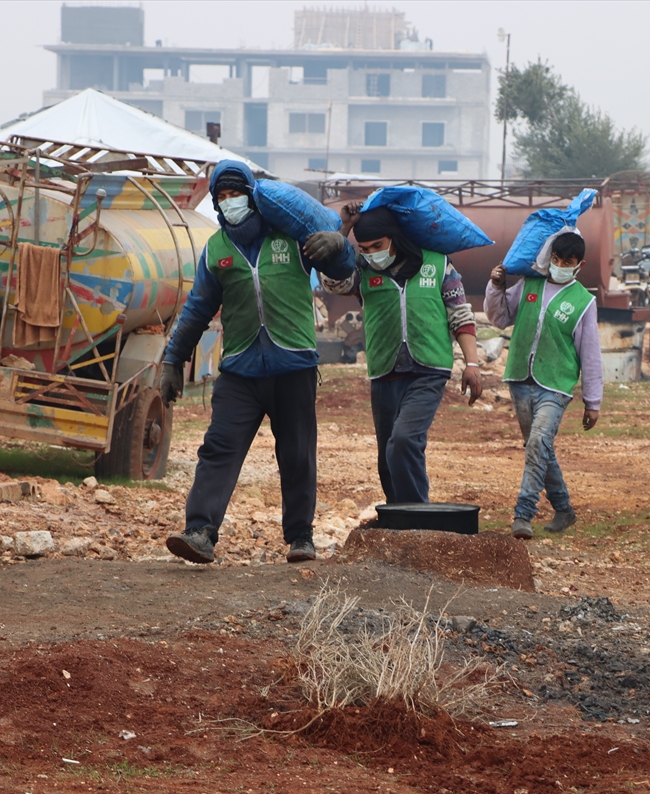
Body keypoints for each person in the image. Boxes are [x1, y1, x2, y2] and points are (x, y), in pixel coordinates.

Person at [159, 161, 355, 564]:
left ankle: (300, 537)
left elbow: (342, 269)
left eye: (236, 194)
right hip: (241, 370)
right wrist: (173, 359)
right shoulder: (216, 248)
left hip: (294, 364)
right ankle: (199, 531)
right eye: (223, 197)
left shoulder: (290, 234)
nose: (231, 202)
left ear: (252, 195)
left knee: (297, 454)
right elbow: (197, 308)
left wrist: (340, 245)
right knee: (218, 448)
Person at [323, 202, 482, 504]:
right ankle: (400, 518)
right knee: (388, 454)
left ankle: (417, 517)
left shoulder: (437, 264)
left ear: (394, 238)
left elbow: (460, 315)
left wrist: (471, 363)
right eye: (365, 248)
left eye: (378, 246)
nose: (371, 253)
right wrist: (343, 230)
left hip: (429, 370)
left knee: (404, 441)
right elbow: (333, 283)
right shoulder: (362, 271)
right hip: (385, 372)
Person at [486, 232, 602, 537]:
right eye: (555, 259)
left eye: (567, 262)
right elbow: (500, 317)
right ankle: (563, 509)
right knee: (539, 447)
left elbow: (590, 354)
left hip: (556, 384)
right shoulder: (529, 284)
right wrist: (496, 287)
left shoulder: (583, 302)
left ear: (580, 265)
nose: (559, 265)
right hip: (520, 379)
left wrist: (593, 401)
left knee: (538, 444)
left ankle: (523, 513)